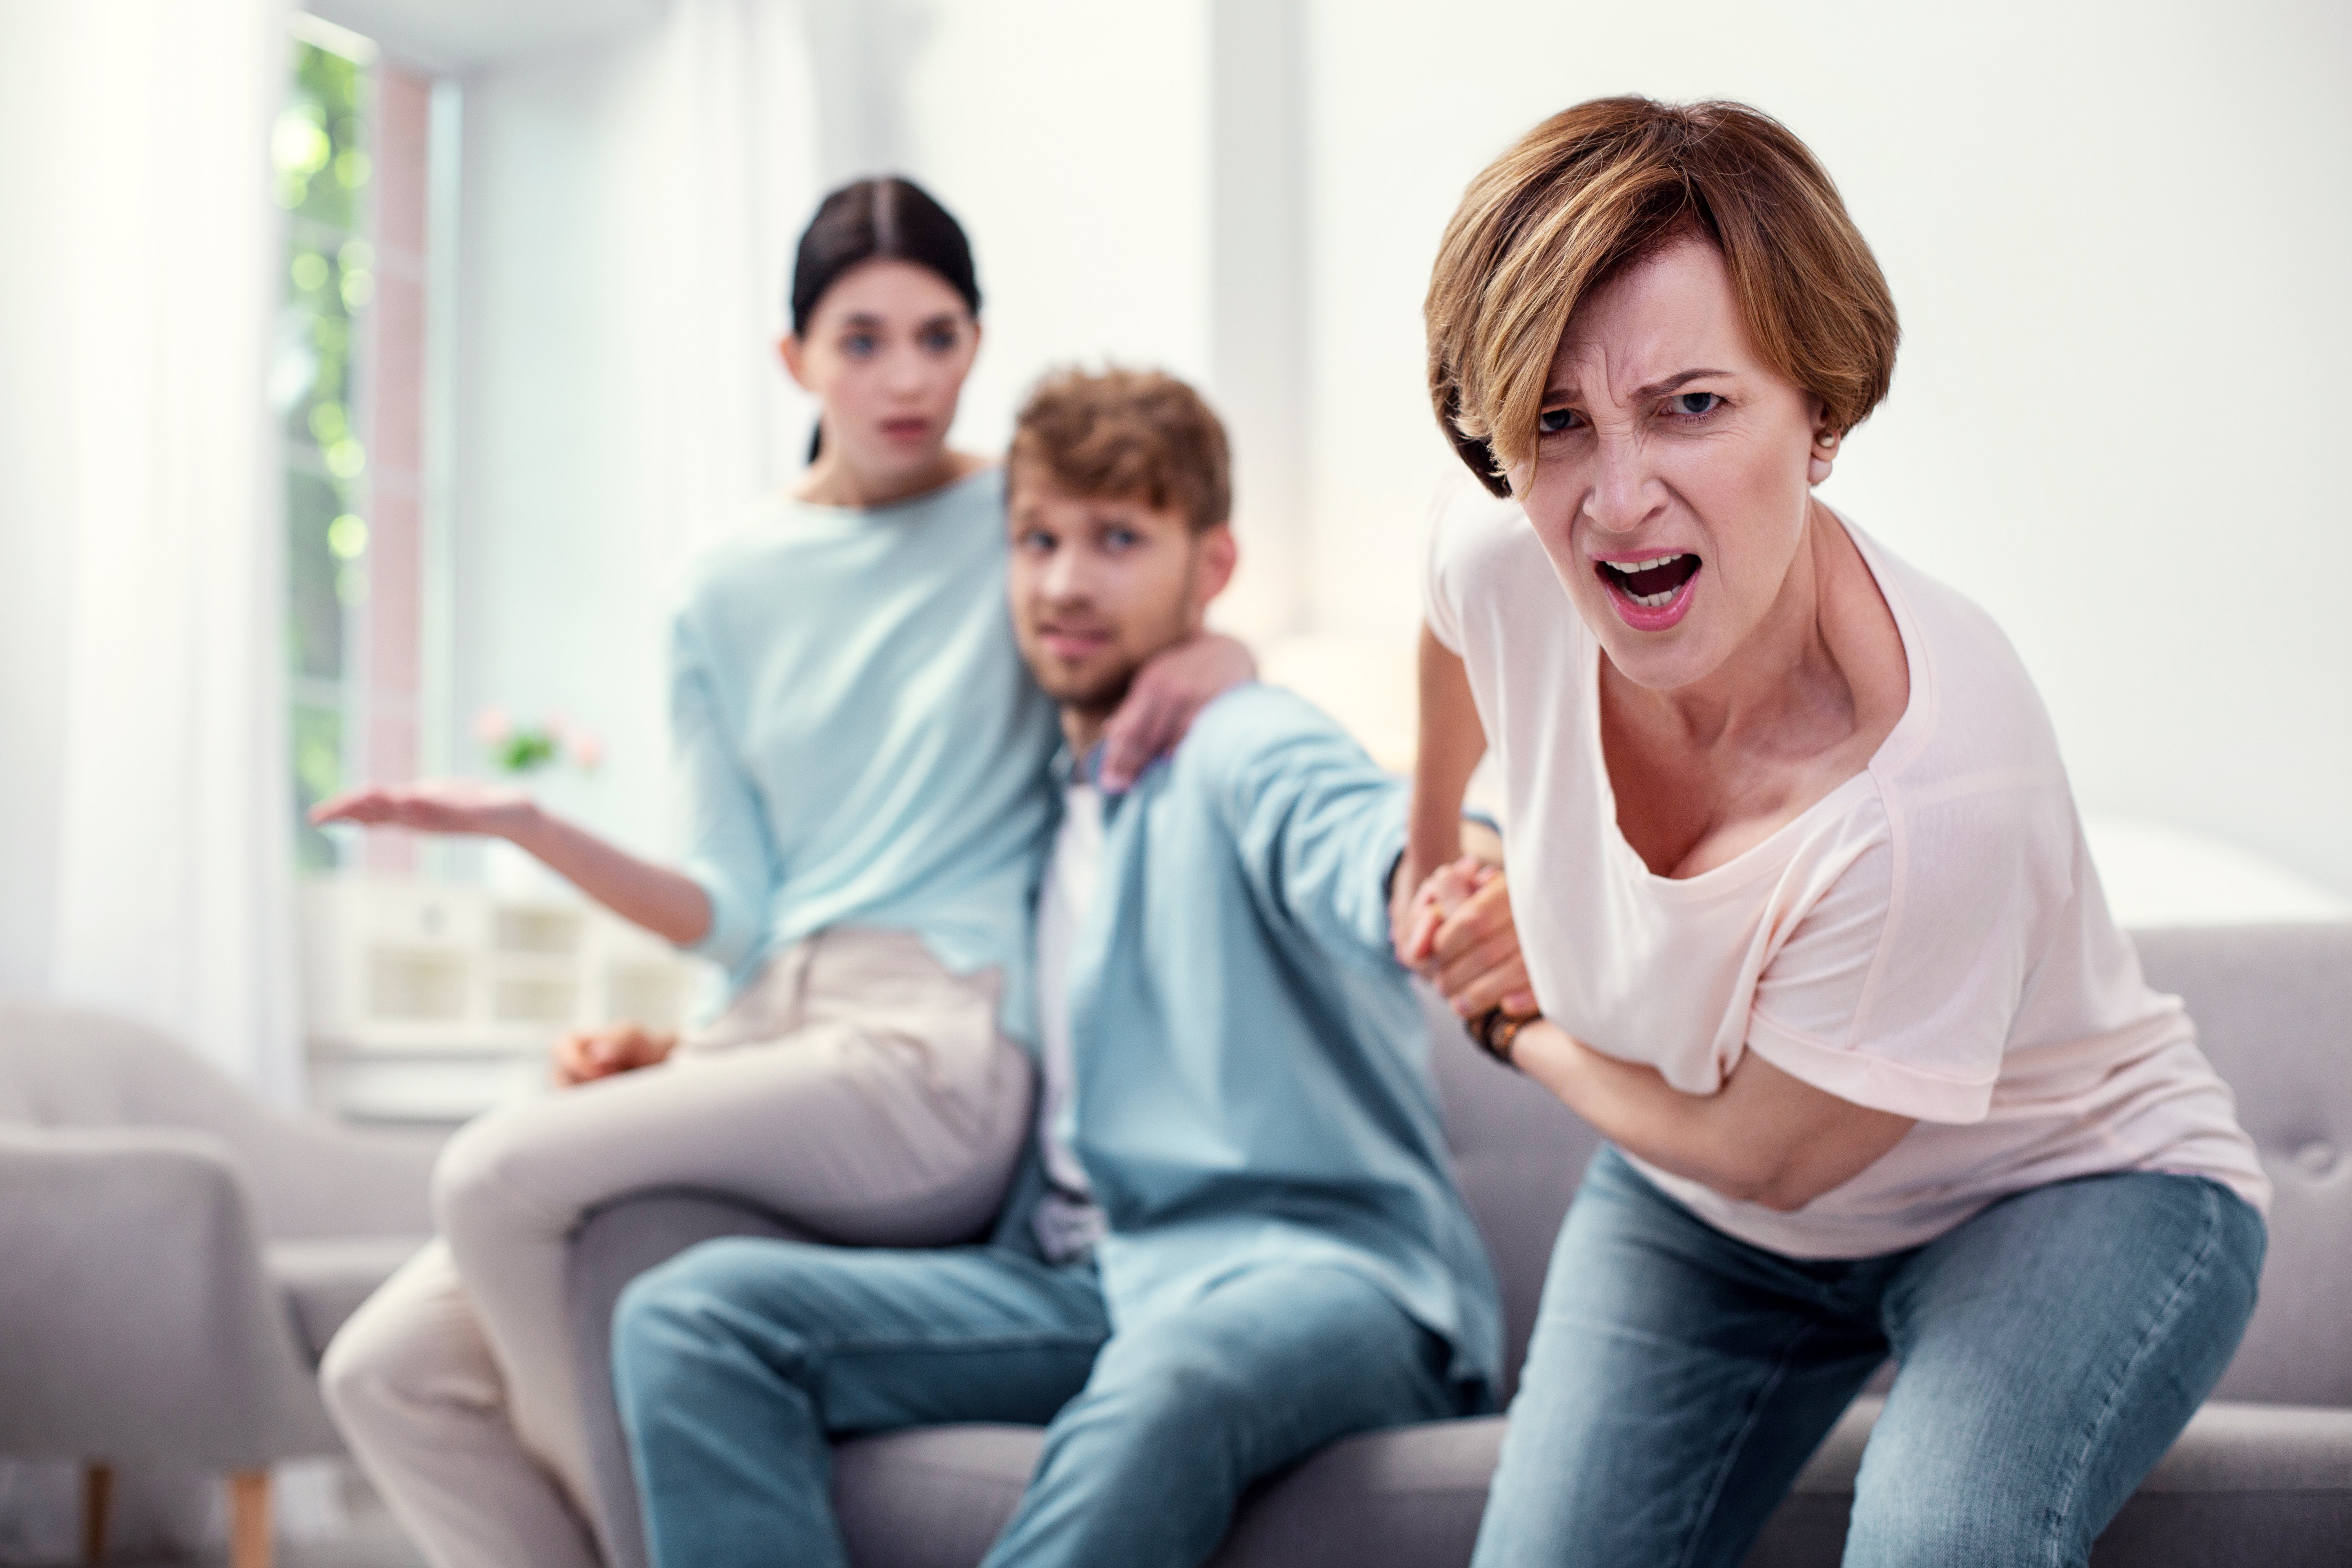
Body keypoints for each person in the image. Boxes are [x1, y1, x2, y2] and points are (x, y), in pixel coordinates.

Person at [313, 180, 1250, 1568]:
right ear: (793, 358)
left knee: (496, 1171)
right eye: (862, 340)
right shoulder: (719, 586)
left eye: (940, 337)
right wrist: (531, 827)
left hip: (933, 1047)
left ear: (978, 344)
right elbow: (733, 912)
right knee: (383, 1375)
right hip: (767, 1032)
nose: (907, 378)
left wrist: (1219, 659)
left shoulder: (1019, 523)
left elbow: (1155, 606)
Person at [1395, 97, 2272, 1568]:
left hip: (2062, 1188)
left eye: (1693, 404)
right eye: (1556, 419)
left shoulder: (1936, 792)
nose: (1617, 498)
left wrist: (1510, 1016)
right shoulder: (1504, 557)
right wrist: (1441, 855)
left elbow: (1766, 1151)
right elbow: (1445, 634)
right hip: (1705, 1224)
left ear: (1823, 416)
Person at [610, 367, 1504, 1568]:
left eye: (1121, 538)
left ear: (1212, 565)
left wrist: (1460, 866)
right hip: (1089, 1277)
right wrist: (682, 1055)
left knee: (1167, 1378)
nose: (1067, 583)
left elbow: (1359, 838)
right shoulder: (1030, 786)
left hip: (1327, 1281)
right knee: (693, 1317)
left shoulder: (1244, 742)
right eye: (1038, 540)